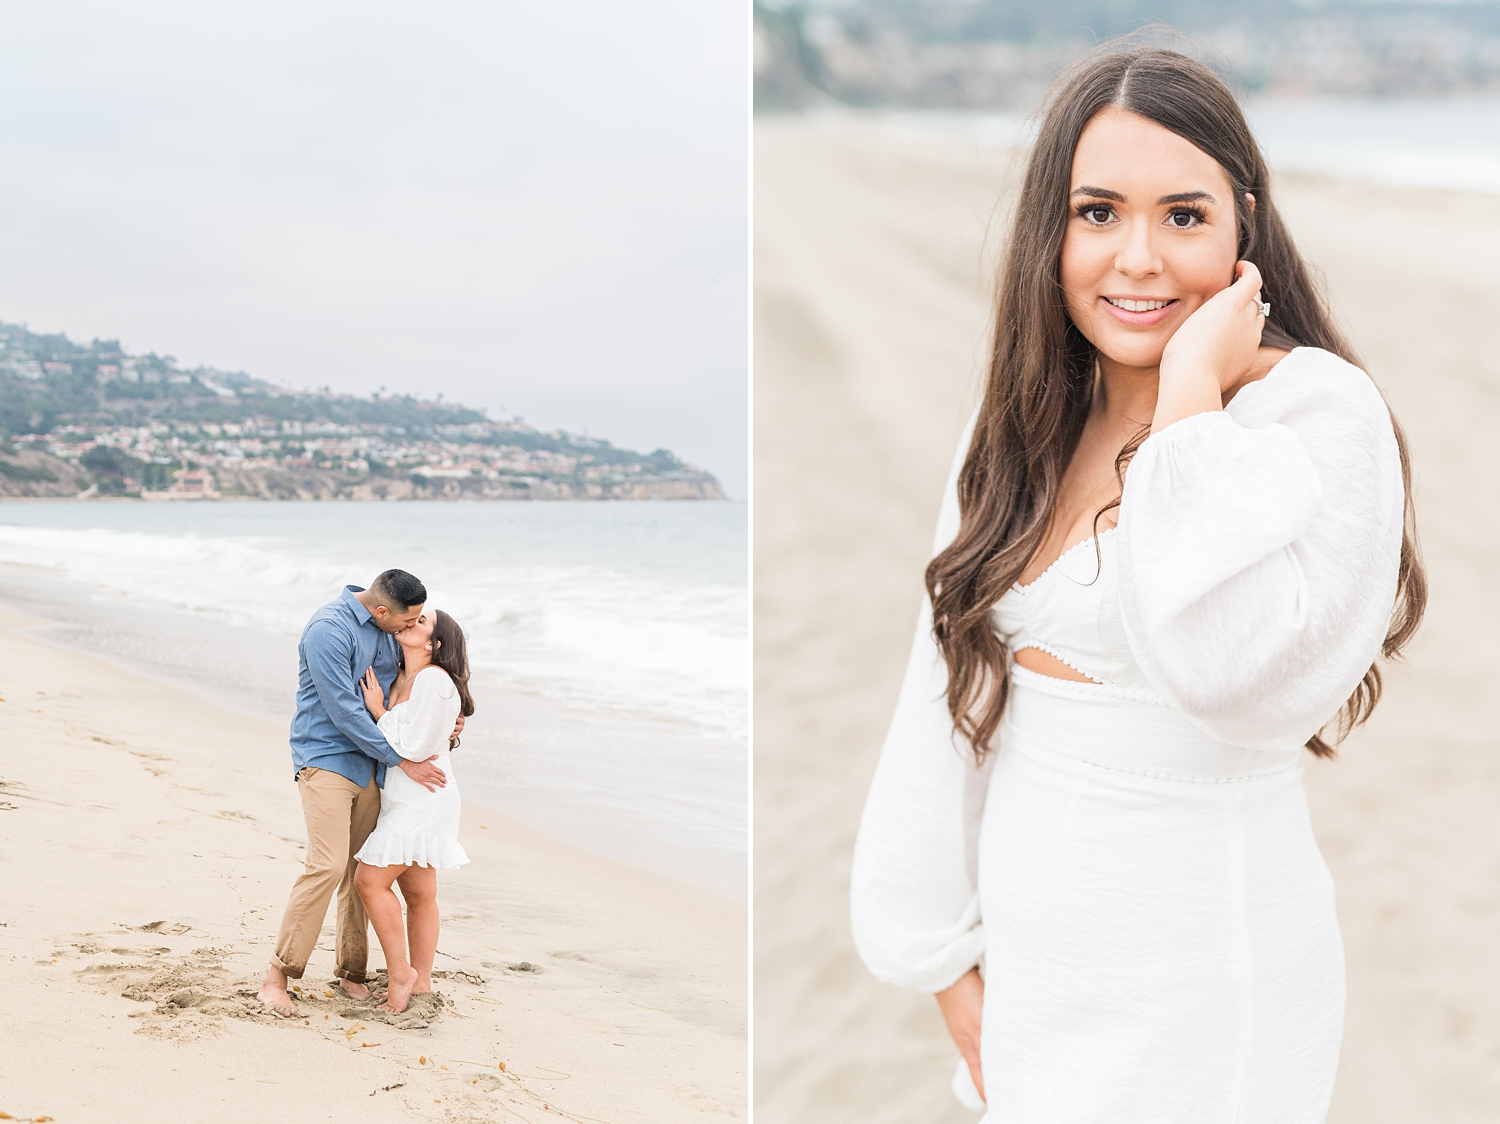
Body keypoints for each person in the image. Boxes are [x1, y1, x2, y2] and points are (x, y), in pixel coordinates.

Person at [850, 43, 1426, 1123]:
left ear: (1244, 224)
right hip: (1032, 974)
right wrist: (940, 963)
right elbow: (943, 693)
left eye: (1186, 215)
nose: (1140, 259)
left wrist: (1191, 398)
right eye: (1100, 212)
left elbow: (1234, 679)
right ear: (1050, 230)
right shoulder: (1016, 428)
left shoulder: (1316, 414)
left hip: (1208, 978)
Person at [257, 569, 456, 1015]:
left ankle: (352, 972)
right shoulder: (328, 630)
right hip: (326, 758)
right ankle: (277, 976)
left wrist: (449, 723)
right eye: (407, 621)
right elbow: (345, 710)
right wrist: (402, 759)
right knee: (326, 865)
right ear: (383, 610)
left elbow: (416, 687)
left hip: (374, 766)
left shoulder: (389, 632)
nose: (410, 627)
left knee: (359, 871)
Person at [354, 608, 474, 1014]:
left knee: (369, 881)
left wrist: (378, 712)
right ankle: (420, 983)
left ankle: (402, 972)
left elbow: (418, 748)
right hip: (405, 795)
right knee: (420, 893)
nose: (413, 621)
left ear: (433, 645)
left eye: (423, 622)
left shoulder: (435, 681)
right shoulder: (402, 674)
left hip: (425, 797)